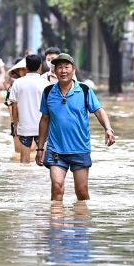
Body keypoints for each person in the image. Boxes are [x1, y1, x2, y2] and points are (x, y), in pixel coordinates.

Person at [35, 53, 116, 201]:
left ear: (73, 70)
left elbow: (98, 111)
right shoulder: (48, 92)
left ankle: (80, 222)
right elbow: (44, 120)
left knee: (82, 192)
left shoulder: (84, 90)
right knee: (57, 186)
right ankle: (56, 223)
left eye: (67, 67)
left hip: (80, 148)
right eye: (59, 67)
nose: (63, 71)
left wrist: (108, 129)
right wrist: (40, 148)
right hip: (56, 150)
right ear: (54, 71)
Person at [9, 54, 49, 163]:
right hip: (43, 127)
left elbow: (14, 106)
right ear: (40, 67)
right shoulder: (46, 84)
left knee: (24, 161)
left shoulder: (17, 83)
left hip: (24, 127)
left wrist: (15, 124)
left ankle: (24, 179)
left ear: (26, 67)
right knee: (43, 160)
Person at [4, 58, 27, 154]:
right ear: (17, 71)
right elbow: (10, 105)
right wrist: (14, 122)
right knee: (18, 152)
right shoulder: (13, 86)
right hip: (17, 121)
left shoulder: (38, 83)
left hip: (32, 121)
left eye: (26, 68)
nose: (25, 71)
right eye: (22, 69)